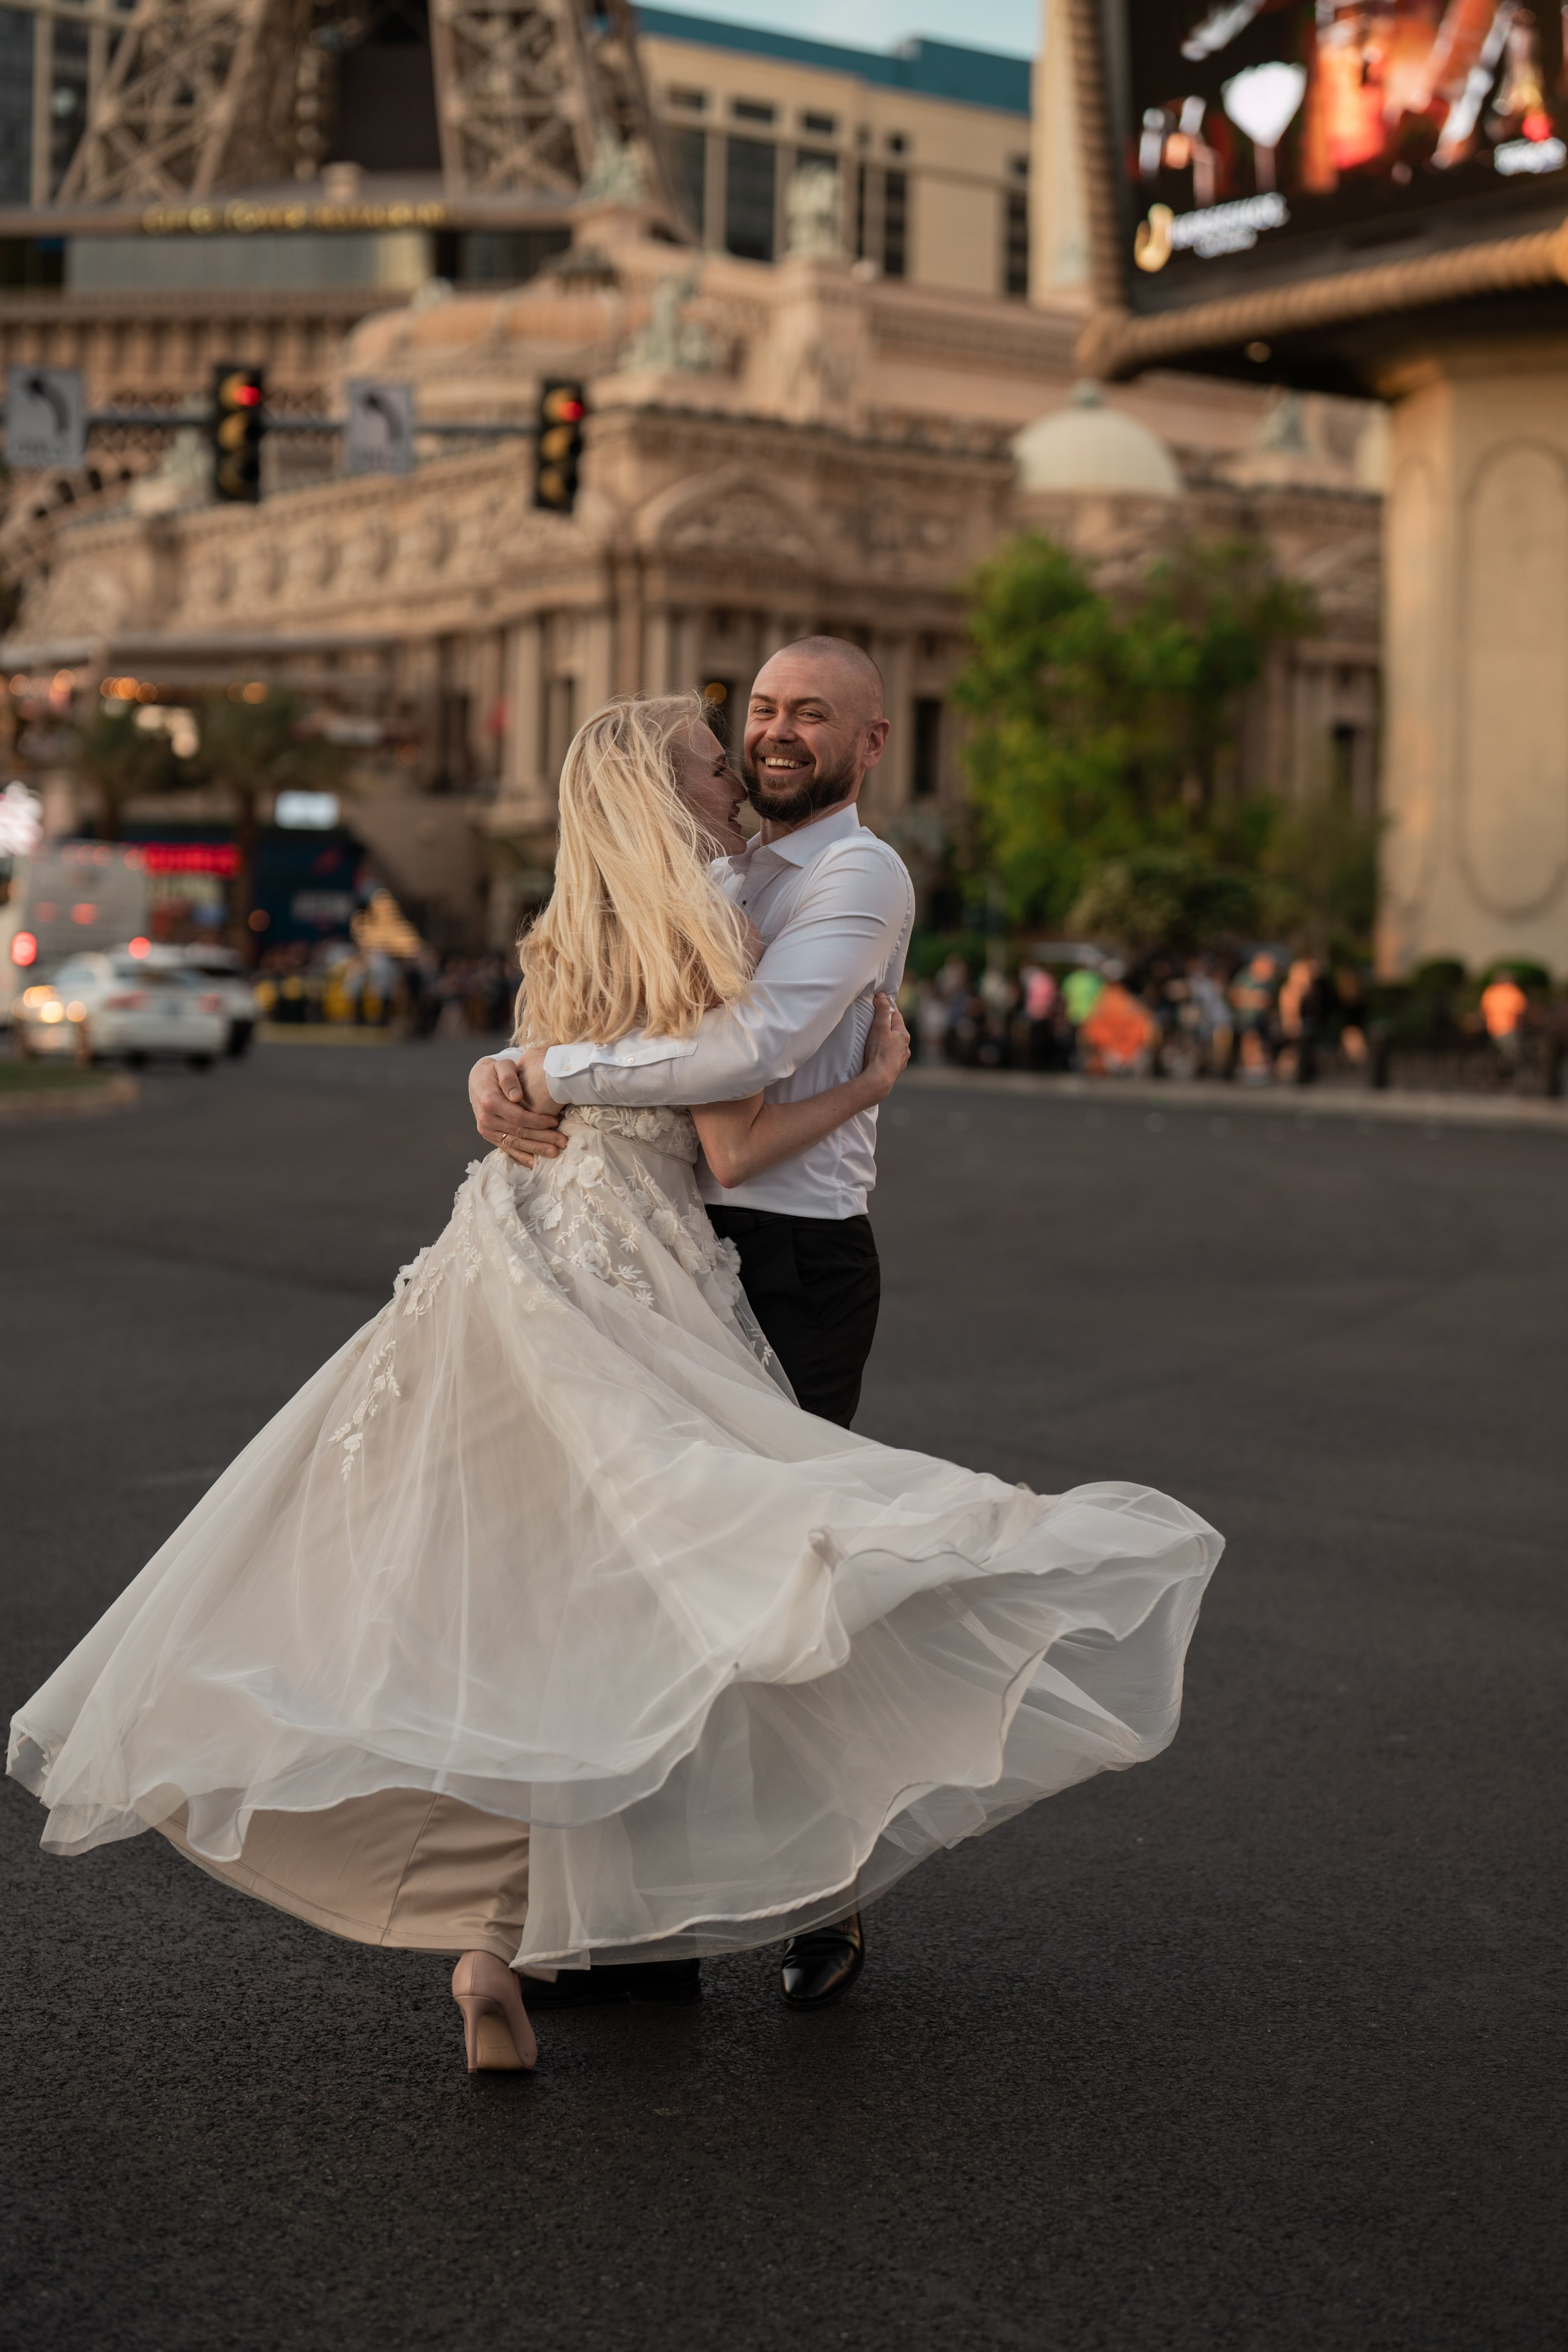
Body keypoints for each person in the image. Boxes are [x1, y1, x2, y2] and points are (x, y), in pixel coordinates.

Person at [12, 687, 1222, 2083]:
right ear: (665, 790)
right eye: (714, 758)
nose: (734, 773)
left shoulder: (564, 933)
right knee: (742, 1555)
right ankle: (766, 1884)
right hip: (643, 1264)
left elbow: (551, 1077)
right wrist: (870, 1084)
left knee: (535, 1594)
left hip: (505, 1254)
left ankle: (502, 1937)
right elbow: (732, 1145)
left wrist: (518, 1065)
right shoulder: (701, 933)